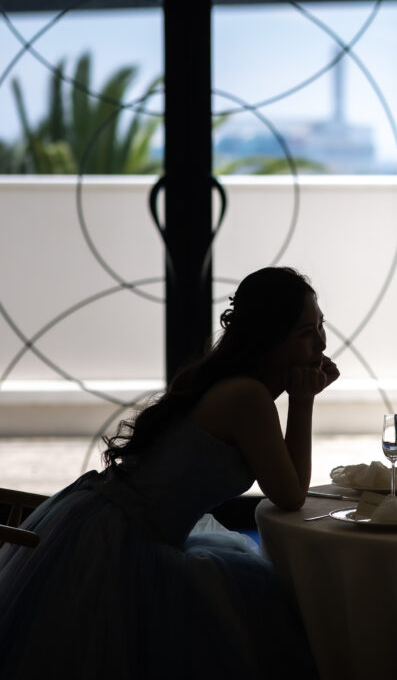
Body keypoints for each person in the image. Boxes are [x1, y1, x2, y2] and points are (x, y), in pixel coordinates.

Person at [0, 266, 337, 679]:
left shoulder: (236, 384)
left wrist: (299, 394)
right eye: (306, 332)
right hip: (120, 541)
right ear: (269, 337)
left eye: (320, 326)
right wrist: (302, 401)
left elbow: (288, 486)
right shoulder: (247, 396)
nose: (322, 342)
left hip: (112, 520)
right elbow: (291, 494)